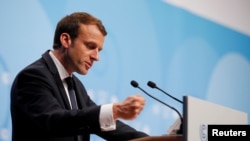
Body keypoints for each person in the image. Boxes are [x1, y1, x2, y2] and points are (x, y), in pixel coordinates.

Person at [10, 12, 148, 141]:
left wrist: (151, 139)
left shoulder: (75, 84)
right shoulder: (33, 77)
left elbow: (101, 123)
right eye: (90, 46)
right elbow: (55, 121)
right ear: (66, 40)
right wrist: (115, 110)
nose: (96, 57)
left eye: (98, 50)